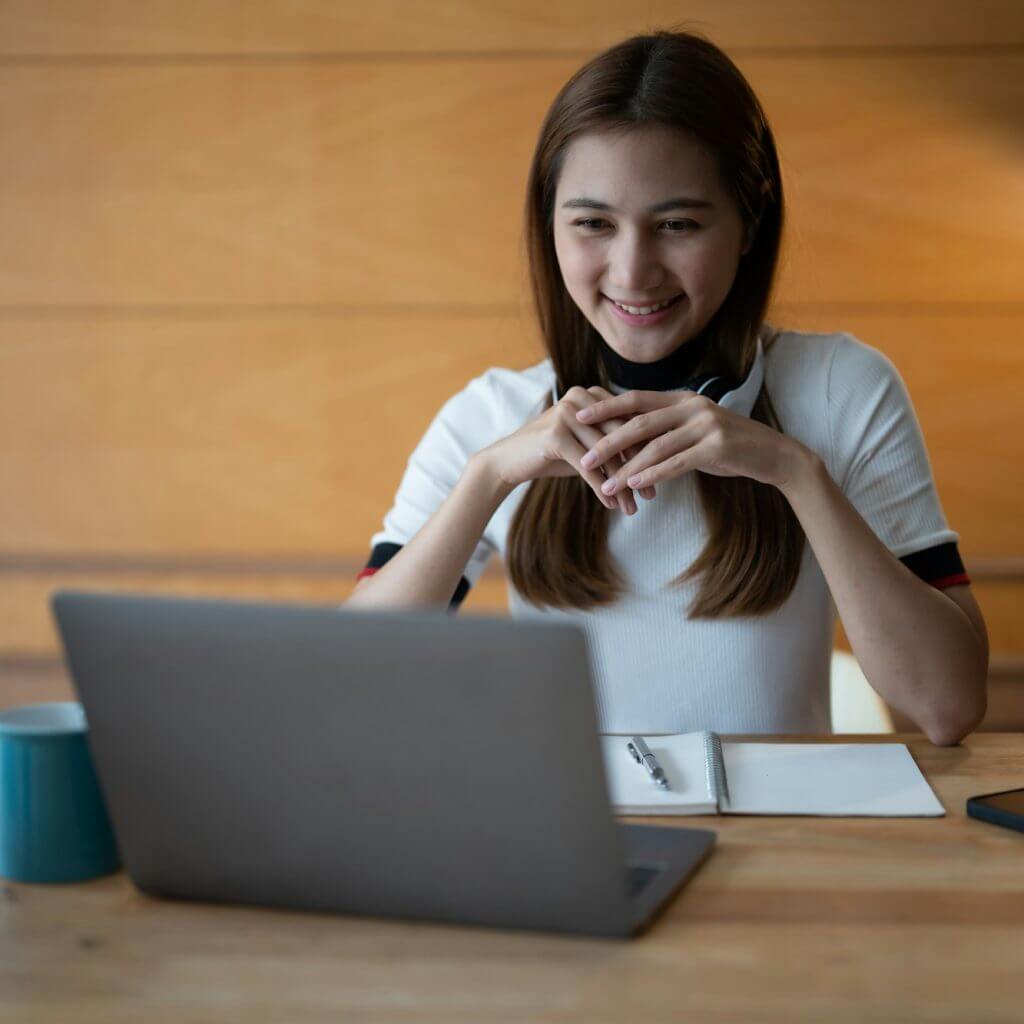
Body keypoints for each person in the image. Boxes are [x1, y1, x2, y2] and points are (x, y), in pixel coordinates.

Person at [345, 29, 988, 746]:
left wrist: (795, 472)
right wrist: (489, 475)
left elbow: (948, 707)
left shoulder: (843, 388)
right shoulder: (490, 417)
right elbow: (348, 674)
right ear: (549, 227)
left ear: (750, 223)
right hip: (575, 836)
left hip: (787, 844)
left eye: (677, 224)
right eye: (593, 223)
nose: (631, 270)